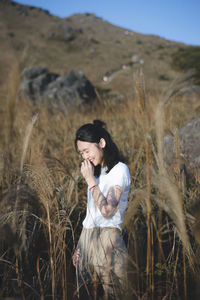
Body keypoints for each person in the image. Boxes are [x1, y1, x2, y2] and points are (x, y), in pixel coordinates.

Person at [73, 120, 131, 300]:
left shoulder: (119, 170)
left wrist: (90, 182)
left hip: (109, 240)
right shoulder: (96, 173)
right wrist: (79, 246)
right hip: (87, 238)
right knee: (83, 294)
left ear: (102, 143)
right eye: (81, 153)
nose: (85, 157)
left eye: (87, 151)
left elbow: (107, 210)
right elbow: (91, 214)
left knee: (114, 294)